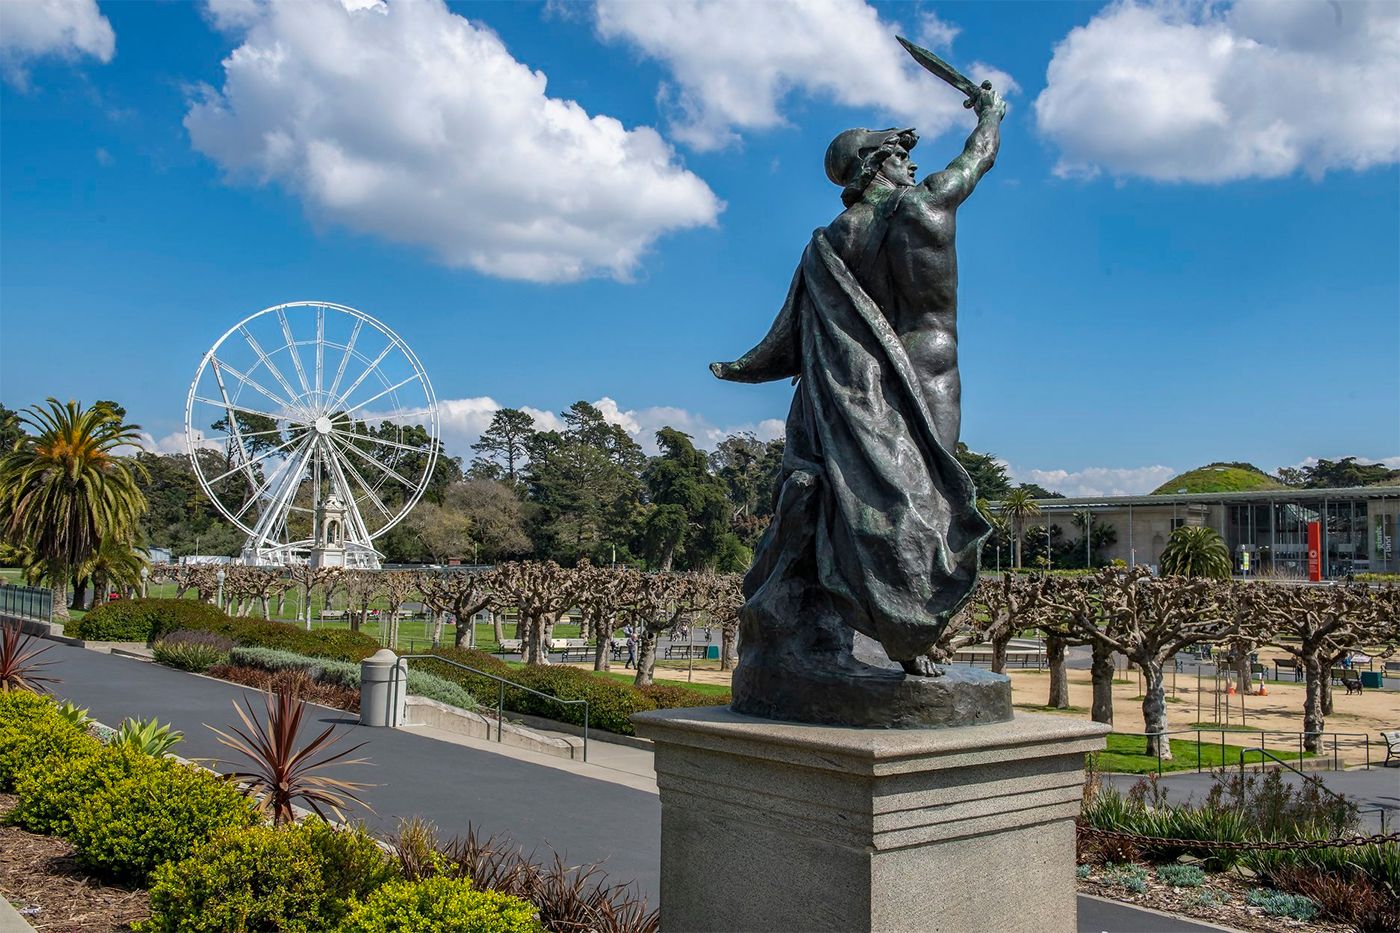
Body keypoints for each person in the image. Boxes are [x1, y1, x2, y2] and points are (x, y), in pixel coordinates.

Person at [711, 84, 1005, 704]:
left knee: (875, 501)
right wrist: (990, 115)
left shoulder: (830, 239)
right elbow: (978, 160)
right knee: (923, 509)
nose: (911, 162)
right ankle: (909, 632)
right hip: (927, 374)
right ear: (875, 166)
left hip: (855, 385)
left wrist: (745, 366)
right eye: (899, 153)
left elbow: (785, 336)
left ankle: (876, 627)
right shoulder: (924, 206)